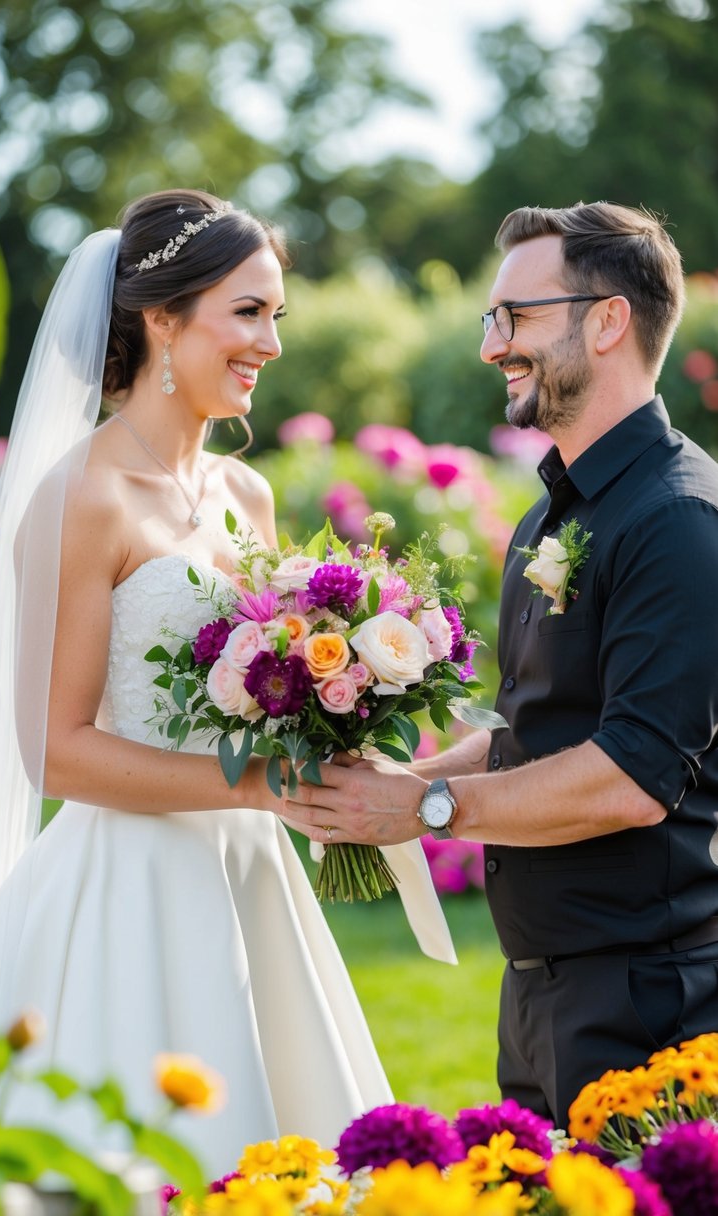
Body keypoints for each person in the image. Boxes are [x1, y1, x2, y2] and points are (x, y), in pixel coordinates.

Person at [0, 189, 454, 1174]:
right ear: (160, 318)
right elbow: (55, 750)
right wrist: (253, 785)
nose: (270, 343)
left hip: (251, 871)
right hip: (132, 882)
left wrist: (338, 716)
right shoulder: (85, 495)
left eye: (275, 315)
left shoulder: (248, 491)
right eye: (248, 312)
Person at [283, 201, 718, 1128]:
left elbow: (634, 777)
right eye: (492, 320)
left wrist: (428, 810)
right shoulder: (549, 513)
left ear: (607, 320)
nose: (491, 346)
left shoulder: (679, 519)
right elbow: (535, 735)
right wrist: (391, 790)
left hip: (651, 1006)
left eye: (513, 317)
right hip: (541, 998)